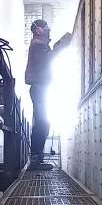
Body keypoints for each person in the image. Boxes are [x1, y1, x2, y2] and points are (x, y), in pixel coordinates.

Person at [25, 19, 71, 171]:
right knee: (43, 122)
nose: (48, 30)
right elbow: (48, 59)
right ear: (39, 30)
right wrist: (62, 43)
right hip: (39, 88)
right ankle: (35, 160)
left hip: (40, 88)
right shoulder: (38, 44)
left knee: (42, 122)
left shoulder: (39, 44)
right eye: (46, 28)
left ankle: (36, 159)